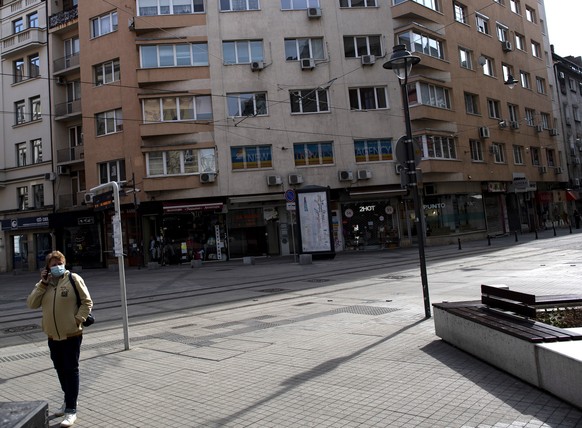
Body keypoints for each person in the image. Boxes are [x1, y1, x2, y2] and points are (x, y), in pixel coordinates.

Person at [27, 251, 93, 428]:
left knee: (71, 370)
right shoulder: (45, 284)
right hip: (52, 336)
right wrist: (42, 283)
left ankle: (71, 410)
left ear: (64, 263)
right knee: (60, 369)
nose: (56, 266)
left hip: (71, 334)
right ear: (47, 267)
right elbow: (31, 304)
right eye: (52, 264)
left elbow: (87, 302)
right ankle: (68, 400)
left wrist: (77, 320)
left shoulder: (73, 279)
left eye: (59, 263)